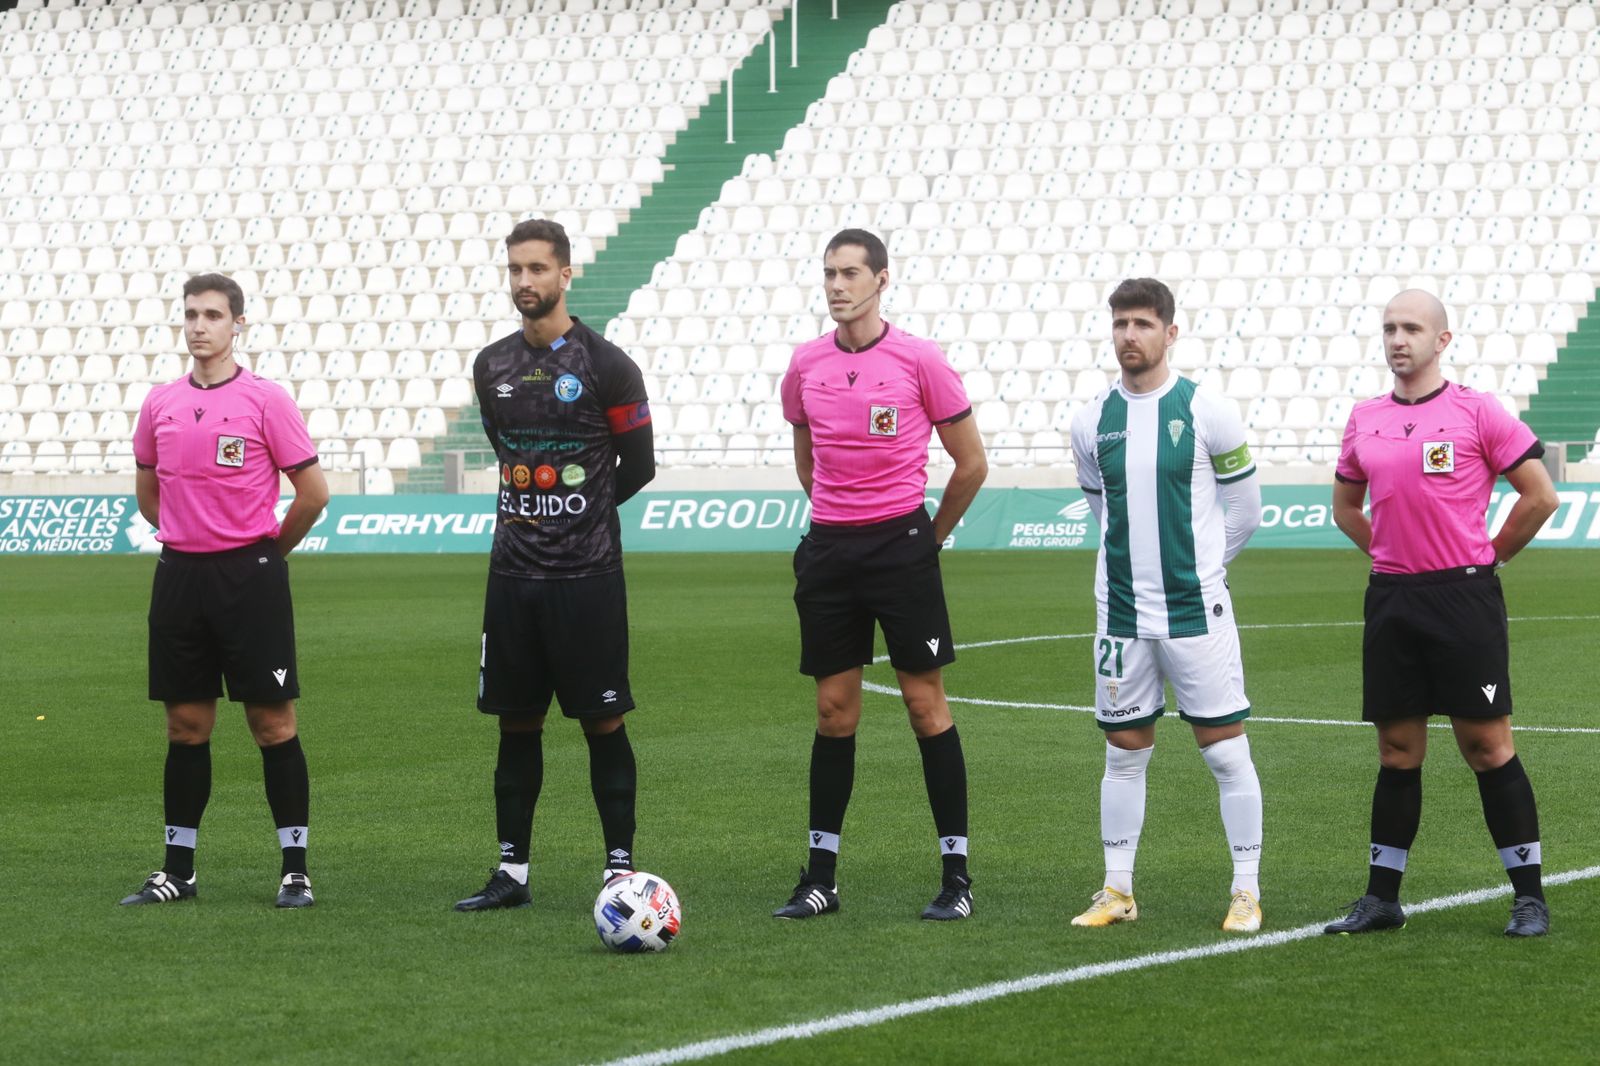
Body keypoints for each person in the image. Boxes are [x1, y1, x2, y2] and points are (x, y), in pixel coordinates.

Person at [1324, 289, 1559, 938]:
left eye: (1412, 328)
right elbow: (1347, 507)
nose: (1398, 339)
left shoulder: (1476, 411)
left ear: (1442, 341)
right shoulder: (1364, 418)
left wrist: (1489, 559)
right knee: (1398, 750)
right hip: (1394, 601)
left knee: (1487, 745)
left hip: (1464, 599)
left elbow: (1540, 496)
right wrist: (1391, 556)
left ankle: (1529, 898)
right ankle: (1381, 899)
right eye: (1389, 328)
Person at [772, 228, 989, 922]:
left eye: (850, 274)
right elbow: (809, 461)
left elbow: (972, 463)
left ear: (882, 280)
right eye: (829, 273)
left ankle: (957, 879)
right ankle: (820, 878)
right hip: (832, 550)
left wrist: (928, 538)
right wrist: (837, 521)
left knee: (926, 708)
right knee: (834, 712)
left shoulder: (919, 360)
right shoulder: (805, 364)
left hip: (902, 548)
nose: (837, 286)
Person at [454, 219, 656, 912]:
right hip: (513, 577)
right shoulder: (491, 367)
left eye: (537, 269)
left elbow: (641, 464)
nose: (524, 282)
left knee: (603, 722)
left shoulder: (608, 366)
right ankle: (512, 873)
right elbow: (504, 450)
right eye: (515, 269)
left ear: (566, 275)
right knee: (516, 723)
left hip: (587, 578)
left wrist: (586, 511)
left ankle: (619, 871)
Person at [122, 273, 329, 908]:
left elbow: (313, 493)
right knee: (186, 727)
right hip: (181, 576)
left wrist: (266, 553)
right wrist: (184, 534)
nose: (199, 325)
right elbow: (147, 486)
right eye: (190, 314)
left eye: (213, 314)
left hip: (250, 577)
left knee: (272, 723)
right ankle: (178, 870)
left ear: (238, 324)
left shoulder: (266, 400)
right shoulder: (160, 402)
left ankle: (294, 870)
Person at [1067, 277, 1266, 932]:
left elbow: (1244, 513)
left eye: (1144, 323)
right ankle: (1117, 890)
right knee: (1123, 748)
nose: (1130, 335)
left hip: (1192, 610)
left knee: (1223, 749)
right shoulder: (1092, 419)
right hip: (1121, 614)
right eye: (1121, 323)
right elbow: (1103, 511)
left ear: (1170, 332)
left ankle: (1245, 890)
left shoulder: (1208, 409)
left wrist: (1202, 572)